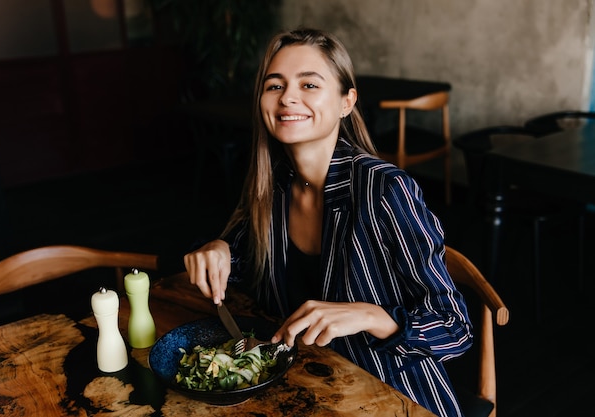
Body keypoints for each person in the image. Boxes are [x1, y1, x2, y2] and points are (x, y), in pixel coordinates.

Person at [183, 27, 473, 417]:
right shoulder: (273, 185)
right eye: (274, 85)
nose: (288, 97)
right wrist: (218, 250)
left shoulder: (384, 189)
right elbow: (246, 262)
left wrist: (370, 315)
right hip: (309, 385)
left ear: (346, 101)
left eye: (309, 84)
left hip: (393, 393)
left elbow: (456, 329)